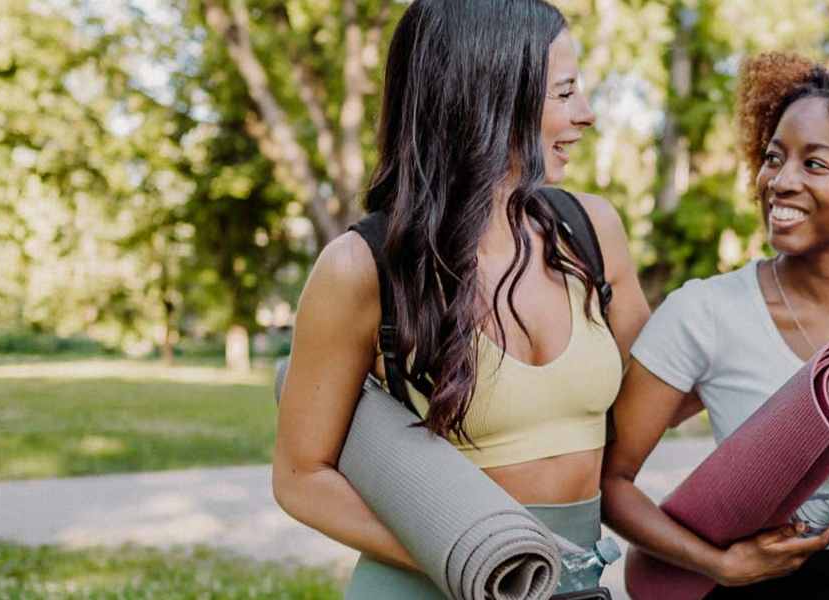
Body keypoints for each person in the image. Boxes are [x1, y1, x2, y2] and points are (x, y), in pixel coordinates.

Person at [272, 1, 649, 597]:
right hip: (438, 581)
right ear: (490, 96)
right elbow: (300, 477)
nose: (587, 114)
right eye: (564, 92)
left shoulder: (591, 232)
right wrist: (473, 560)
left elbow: (660, 396)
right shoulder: (361, 266)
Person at [601, 51, 829, 599]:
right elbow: (611, 483)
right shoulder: (704, 311)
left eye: (814, 164)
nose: (780, 181)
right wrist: (717, 564)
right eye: (774, 158)